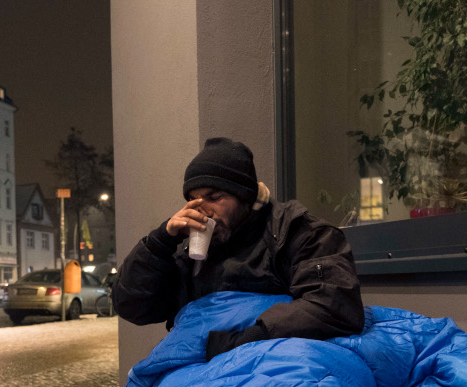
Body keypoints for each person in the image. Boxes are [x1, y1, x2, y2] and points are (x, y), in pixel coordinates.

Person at [112, 137, 364, 360]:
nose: (202, 210)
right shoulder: (192, 253)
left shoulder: (299, 233)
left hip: (276, 364)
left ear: (244, 196)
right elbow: (132, 306)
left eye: (214, 197)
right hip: (203, 376)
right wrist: (159, 243)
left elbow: (334, 306)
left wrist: (242, 341)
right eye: (193, 200)